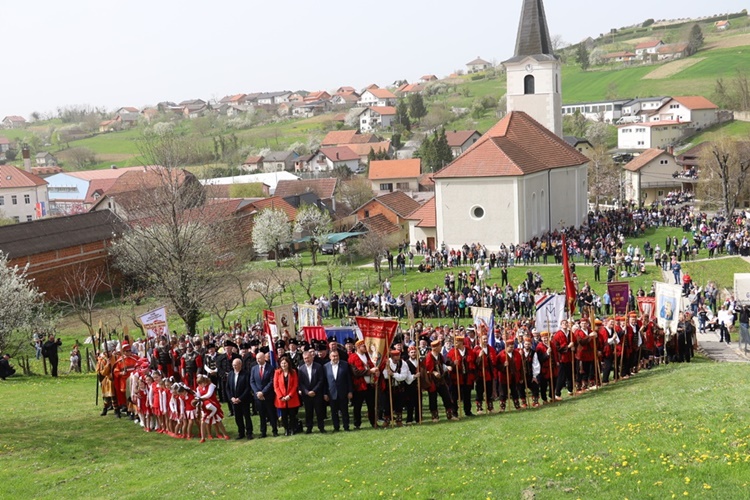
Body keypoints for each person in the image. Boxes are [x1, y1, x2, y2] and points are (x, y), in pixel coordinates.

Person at [423, 339, 455, 422]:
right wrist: (433, 372)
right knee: (433, 399)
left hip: (441, 380)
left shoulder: (440, 355)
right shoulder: (429, 356)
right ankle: (435, 417)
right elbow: (427, 369)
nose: (441, 347)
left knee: (447, 396)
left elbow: (442, 365)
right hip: (432, 382)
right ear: (435, 348)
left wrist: (447, 367)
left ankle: (450, 415)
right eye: (439, 346)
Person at [250, 351, 278, 438]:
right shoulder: (254, 368)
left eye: (259, 358)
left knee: (271, 414)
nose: (258, 360)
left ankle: (274, 430)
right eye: (257, 358)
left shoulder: (270, 368)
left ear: (264, 358)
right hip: (258, 396)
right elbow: (252, 381)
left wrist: (263, 392)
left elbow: (271, 381)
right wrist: (257, 392)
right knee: (261, 415)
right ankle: (263, 432)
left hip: (268, 395)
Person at [298, 349, 326, 434]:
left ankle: (321, 427)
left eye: (308, 358)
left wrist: (314, 391)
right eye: (305, 358)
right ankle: (309, 428)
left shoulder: (318, 366)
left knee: (319, 411)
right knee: (308, 412)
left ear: (312, 357)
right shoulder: (301, 369)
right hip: (306, 395)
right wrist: (306, 392)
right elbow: (300, 383)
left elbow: (321, 380)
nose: (307, 360)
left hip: (317, 393)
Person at [195, 374, 229, 443]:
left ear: (205, 381)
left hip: (212, 404)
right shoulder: (198, 388)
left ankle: (225, 435)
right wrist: (198, 401)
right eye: (200, 383)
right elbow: (197, 396)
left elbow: (209, 394)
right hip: (204, 406)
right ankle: (203, 437)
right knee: (203, 422)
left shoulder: (211, 385)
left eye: (202, 383)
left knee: (218, 420)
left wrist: (200, 398)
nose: (201, 385)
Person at [323, 349, 352, 432]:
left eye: (337, 356)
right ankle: (336, 427)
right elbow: (325, 381)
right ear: (330, 357)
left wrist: (350, 391)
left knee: (344, 411)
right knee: (333, 412)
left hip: (343, 392)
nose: (335, 358)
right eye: (333, 356)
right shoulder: (325, 366)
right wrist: (325, 393)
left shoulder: (345, 365)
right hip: (331, 393)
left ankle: (346, 427)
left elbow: (348, 379)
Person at [226, 358, 253, 440]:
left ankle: (249, 433)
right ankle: (241, 432)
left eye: (236, 365)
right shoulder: (230, 374)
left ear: (240, 365)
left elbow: (248, 388)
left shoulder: (246, 374)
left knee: (247, 416)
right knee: (238, 417)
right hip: (234, 401)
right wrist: (232, 398)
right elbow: (227, 388)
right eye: (233, 365)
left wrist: (240, 398)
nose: (234, 366)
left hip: (244, 400)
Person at [382, 348, 410, 426]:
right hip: (388, 387)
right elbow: (384, 375)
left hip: (399, 387)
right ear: (392, 357)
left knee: (399, 404)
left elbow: (403, 376)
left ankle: (399, 421)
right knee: (387, 405)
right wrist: (388, 373)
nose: (397, 359)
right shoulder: (386, 363)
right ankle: (387, 420)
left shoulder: (403, 363)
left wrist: (393, 374)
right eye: (395, 357)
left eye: (398, 356)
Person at [274, 355, 301, 436]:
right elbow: (276, 386)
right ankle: (286, 430)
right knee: (284, 416)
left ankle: (292, 429)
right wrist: (281, 396)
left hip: (291, 398)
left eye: (285, 363)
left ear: (288, 364)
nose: (283, 365)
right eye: (282, 363)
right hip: (281, 399)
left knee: (292, 415)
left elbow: (295, 385)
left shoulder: (293, 372)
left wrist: (289, 395)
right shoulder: (277, 372)